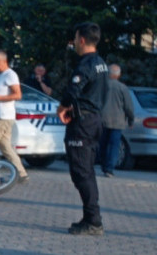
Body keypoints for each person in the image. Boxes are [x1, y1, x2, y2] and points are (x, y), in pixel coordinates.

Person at [57, 22, 108, 236]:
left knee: (81, 172)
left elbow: (73, 91)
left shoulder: (86, 64)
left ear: (83, 40)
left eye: (76, 38)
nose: (75, 42)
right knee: (86, 171)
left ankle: (93, 221)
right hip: (94, 120)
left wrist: (62, 107)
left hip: (82, 124)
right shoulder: (101, 63)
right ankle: (91, 218)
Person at [0, 50, 29, 182]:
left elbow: (17, 95)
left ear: (4, 61)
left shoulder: (10, 75)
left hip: (4, 116)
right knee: (5, 146)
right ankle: (22, 173)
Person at [99, 63, 134, 177]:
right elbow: (128, 106)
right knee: (114, 146)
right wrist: (130, 120)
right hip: (117, 122)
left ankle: (103, 165)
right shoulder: (122, 88)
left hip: (103, 120)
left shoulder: (102, 86)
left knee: (102, 143)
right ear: (119, 75)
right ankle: (109, 169)